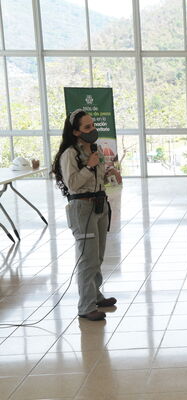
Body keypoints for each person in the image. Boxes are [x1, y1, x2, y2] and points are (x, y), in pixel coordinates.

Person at [51, 109, 122, 321]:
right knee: (87, 259)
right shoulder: (69, 155)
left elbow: (99, 178)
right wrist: (88, 166)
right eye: (87, 127)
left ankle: (96, 295)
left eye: (93, 125)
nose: (93, 130)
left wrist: (110, 174)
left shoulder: (96, 149)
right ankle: (86, 306)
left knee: (98, 256)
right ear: (75, 132)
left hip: (100, 206)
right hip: (82, 210)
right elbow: (72, 184)